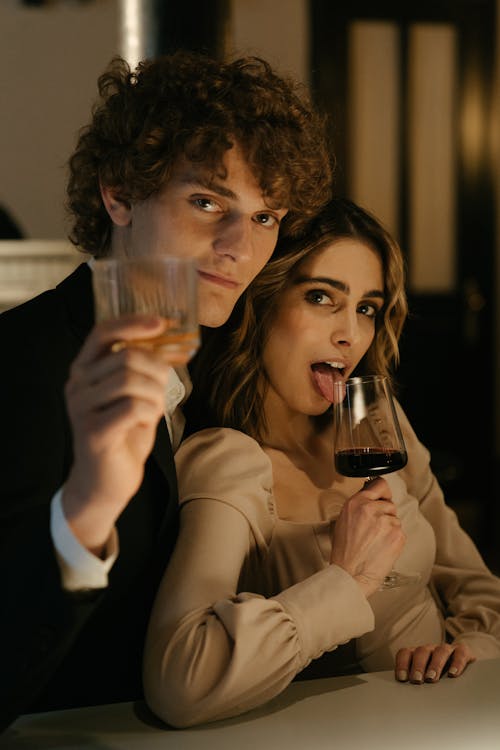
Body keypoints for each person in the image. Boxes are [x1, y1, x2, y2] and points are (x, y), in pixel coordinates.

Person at [0, 51, 332, 729]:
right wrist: (87, 513)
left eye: (266, 216)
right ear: (119, 193)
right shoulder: (20, 364)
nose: (239, 246)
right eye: (207, 202)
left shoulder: (226, 363)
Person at [143, 197, 500, 728]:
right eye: (320, 297)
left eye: (366, 308)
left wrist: (473, 648)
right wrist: (348, 580)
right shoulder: (228, 459)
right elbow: (179, 682)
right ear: (260, 302)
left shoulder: (376, 423)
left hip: (458, 723)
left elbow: (473, 582)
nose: (350, 335)